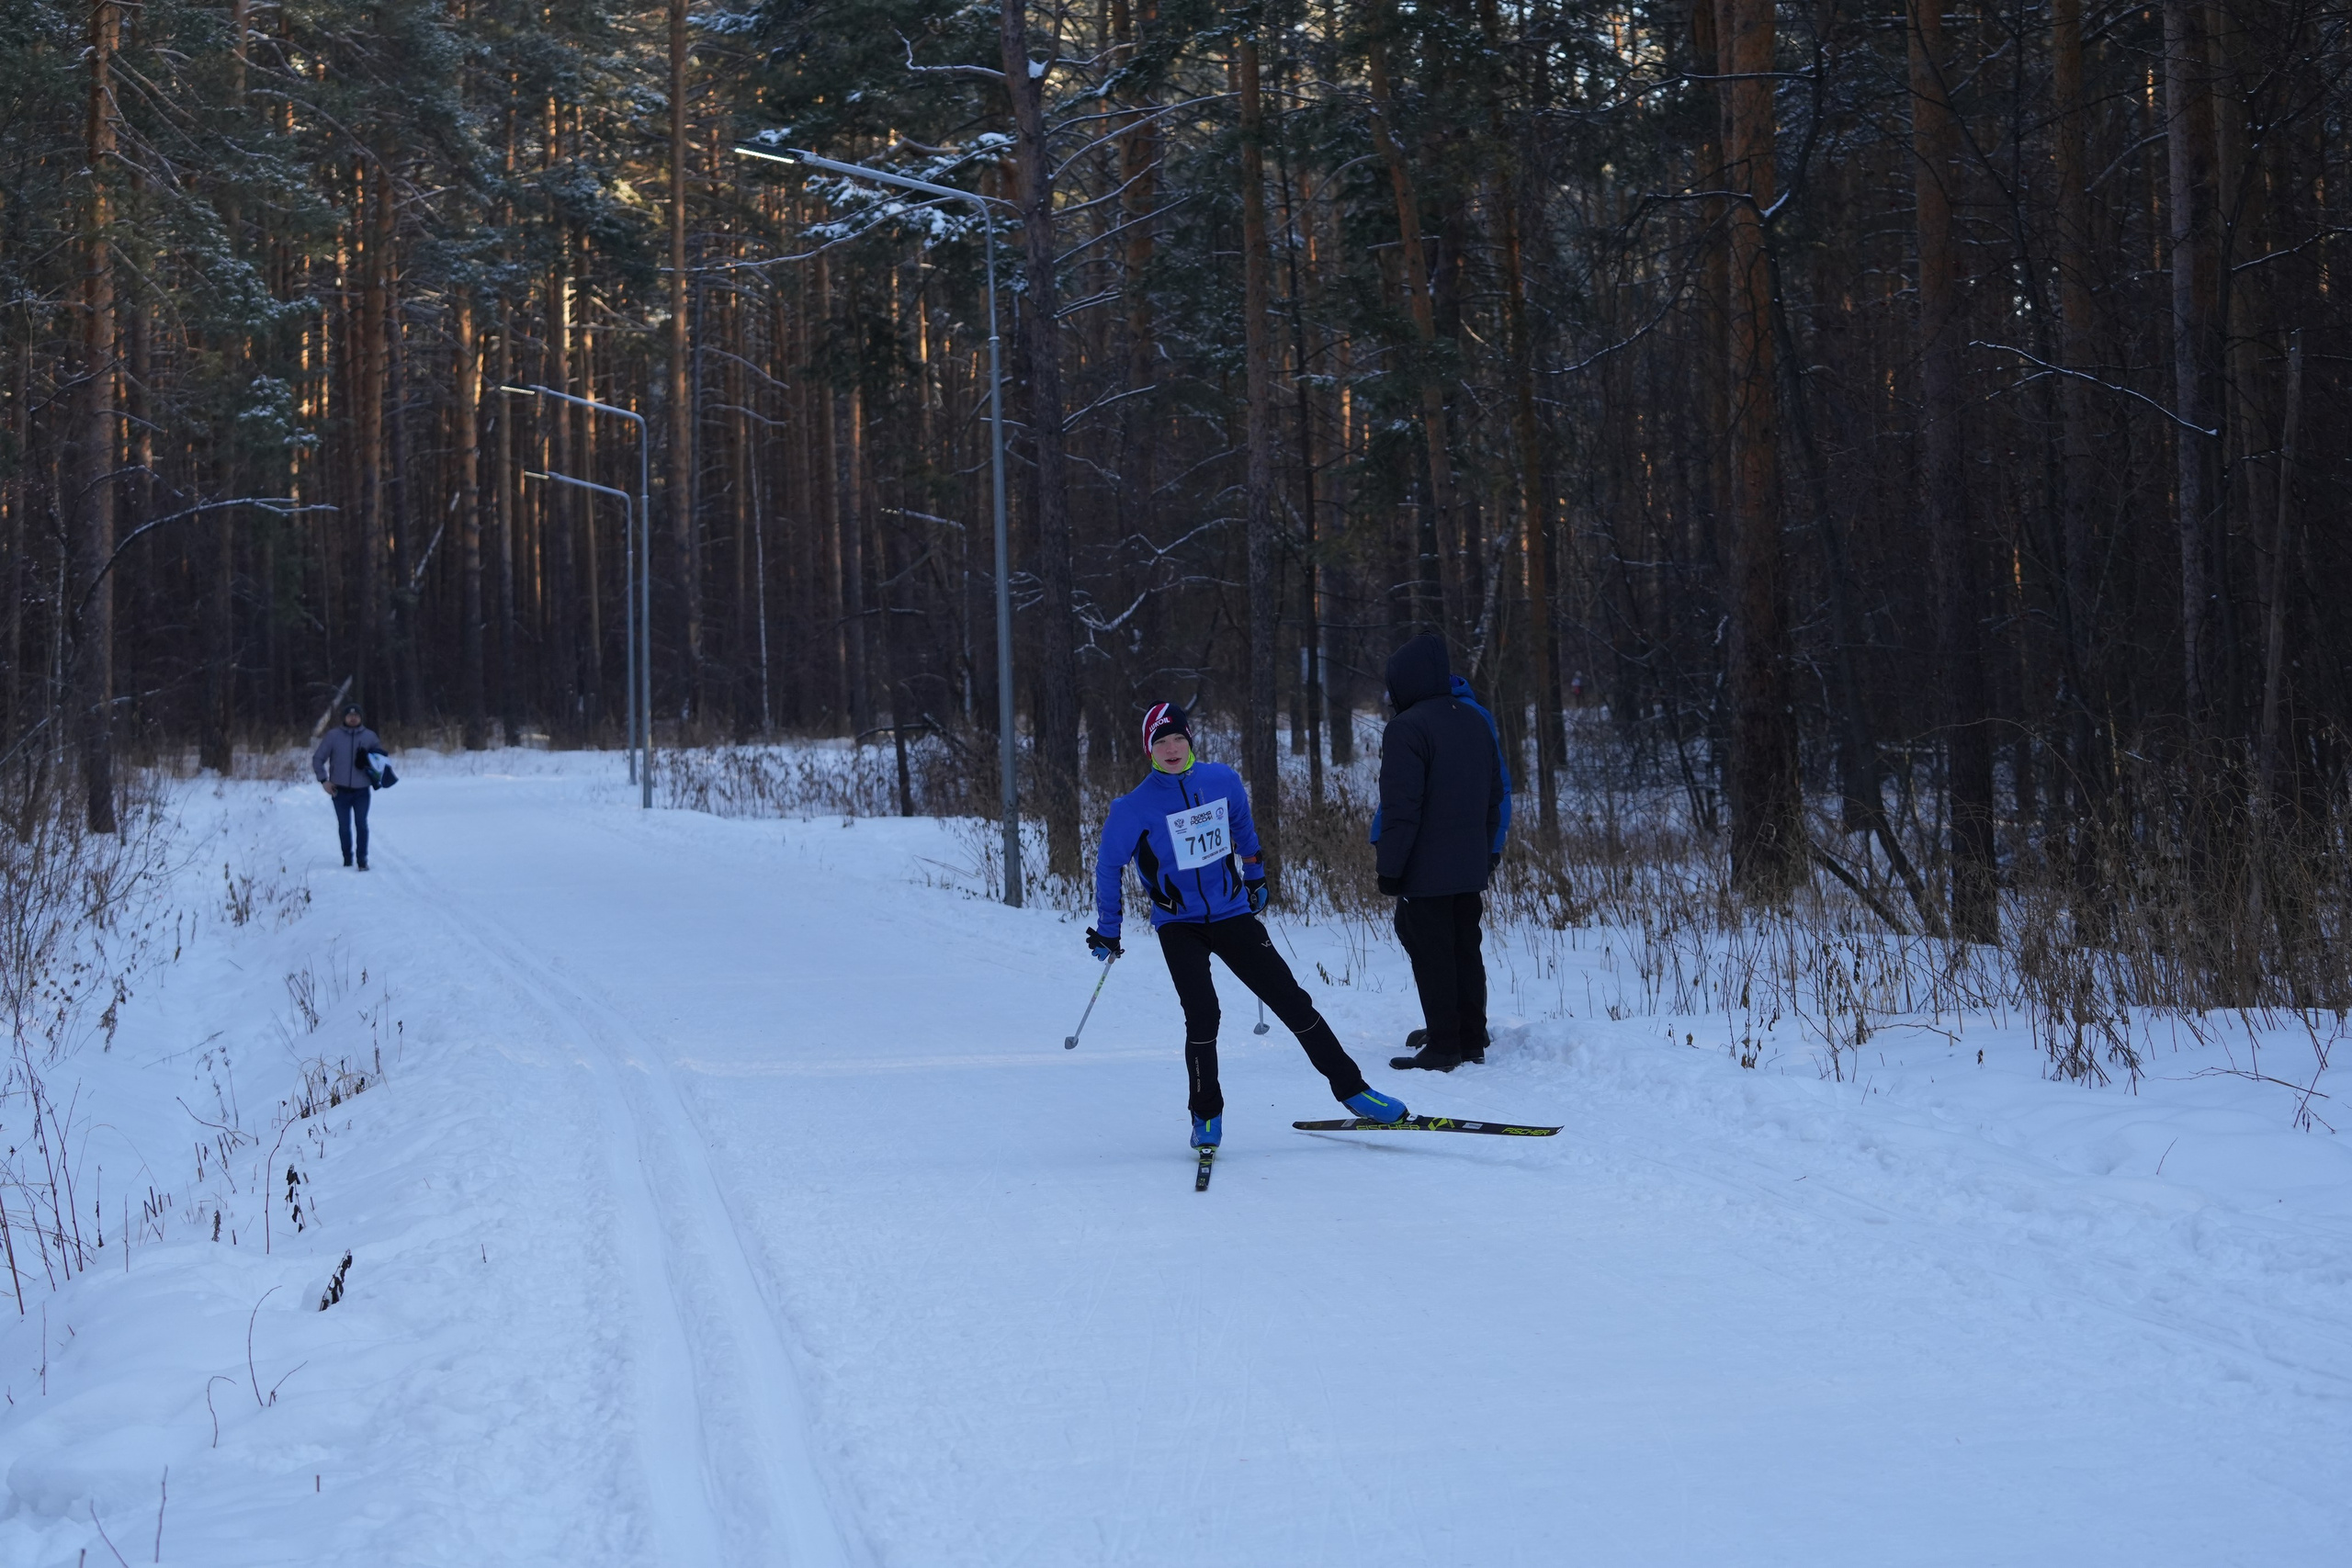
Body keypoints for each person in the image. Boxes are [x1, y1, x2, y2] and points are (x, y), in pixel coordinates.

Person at [1088, 702, 1408, 1148]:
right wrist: (1109, 928)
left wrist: (1256, 875)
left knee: (1292, 1000)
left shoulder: (1222, 781)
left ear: (1190, 740)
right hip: (1179, 924)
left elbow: (1242, 826)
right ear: (1149, 750)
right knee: (1203, 1014)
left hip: (1232, 912)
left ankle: (1354, 1091)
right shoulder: (1133, 807)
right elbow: (1108, 866)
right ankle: (1205, 1115)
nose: (1172, 748)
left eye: (1178, 738)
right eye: (1161, 741)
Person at [1374, 635, 1506, 1073]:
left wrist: (1390, 868)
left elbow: (1401, 807)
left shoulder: (1407, 727)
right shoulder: (1472, 719)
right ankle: (1471, 1039)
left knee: (1432, 951)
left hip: (1425, 867)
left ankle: (1444, 1046)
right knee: (1465, 947)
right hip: (1469, 862)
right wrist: (1485, 850)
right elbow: (1494, 795)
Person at [311, 703, 386, 870]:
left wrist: (369, 761)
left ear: (361, 718)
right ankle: (347, 858)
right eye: (350, 715)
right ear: (344, 718)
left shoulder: (370, 737)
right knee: (344, 826)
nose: (353, 718)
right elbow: (318, 759)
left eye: (356, 716)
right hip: (339, 790)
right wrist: (324, 781)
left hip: (362, 791)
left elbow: (381, 761)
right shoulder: (333, 736)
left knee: (361, 824)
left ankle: (362, 860)